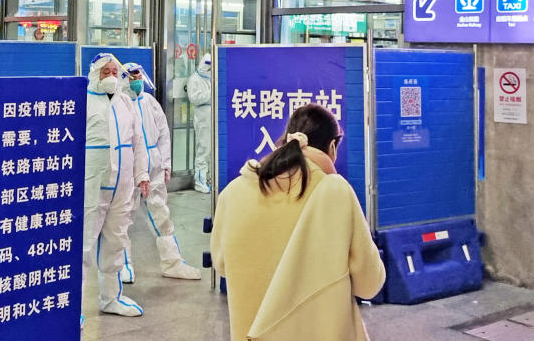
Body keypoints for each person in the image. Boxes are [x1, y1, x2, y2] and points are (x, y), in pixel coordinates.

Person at [210, 104, 385, 341]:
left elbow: (222, 265)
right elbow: (369, 284)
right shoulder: (335, 193)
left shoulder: (232, 193)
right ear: (332, 146)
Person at [82, 54, 151, 324]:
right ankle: (72, 304)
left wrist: (142, 174)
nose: (111, 75)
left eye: (114, 71)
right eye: (105, 71)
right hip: (92, 184)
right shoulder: (83, 101)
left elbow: (138, 142)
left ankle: (111, 297)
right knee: (84, 244)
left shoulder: (125, 102)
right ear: (95, 74)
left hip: (122, 186)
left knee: (116, 241)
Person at [118, 63, 201, 283]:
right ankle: (122, 266)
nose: (136, 81)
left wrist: (165, 164)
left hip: (153, 166)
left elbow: (164, 134)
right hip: (129, 168)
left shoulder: (150, 103)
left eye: (138, 76)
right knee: (121, 218)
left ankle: (172, 263)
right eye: (132, 77)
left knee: (161, 215)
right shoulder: (119, 104)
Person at [186, 53, 213, 193]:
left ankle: (209, 178)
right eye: (207, 64)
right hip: (203, 117)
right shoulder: (195, 79)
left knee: (211, 150)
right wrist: (211, 94)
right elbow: (194, 98)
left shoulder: (212, 77)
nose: (208, 68)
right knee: (204, 148)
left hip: (212, 116)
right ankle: (199, 180)